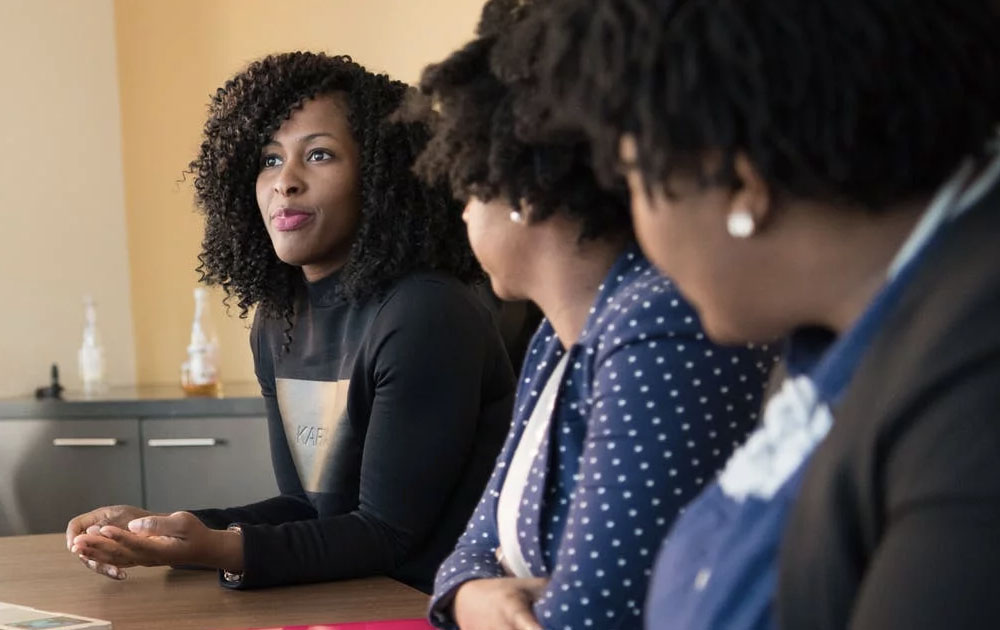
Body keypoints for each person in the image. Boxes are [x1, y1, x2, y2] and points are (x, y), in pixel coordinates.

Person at [534, 0, 1000, 627]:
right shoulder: (834, 331)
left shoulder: (976, 371)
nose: (641, 236)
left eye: (635, 184)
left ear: (742, 181)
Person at [66, 52, 516, 593]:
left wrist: (217, 548)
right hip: (350, 597)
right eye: (270, 159)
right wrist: (162, 530)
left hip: (434, 605)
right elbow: (309, 507)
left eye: (319, 155)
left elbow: (388, 535)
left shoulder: (426, 313)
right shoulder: (277, 321)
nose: (286, 183)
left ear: (379, 176)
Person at [403, 2, 778, 627]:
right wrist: (472, 597)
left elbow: (592, 616)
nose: (463, 213)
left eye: (470, 189)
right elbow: (470, 548)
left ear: (524, 188)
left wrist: (485, 598)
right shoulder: (557, 334)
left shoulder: (657, 321)